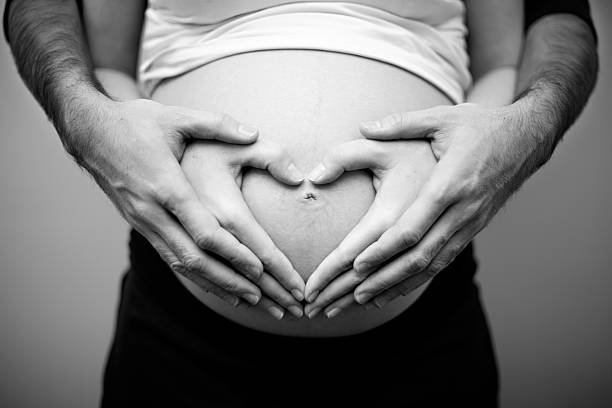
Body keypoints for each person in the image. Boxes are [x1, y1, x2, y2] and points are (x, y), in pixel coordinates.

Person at [4, 0, 598, 406]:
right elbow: (106, 62)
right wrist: (167, 157)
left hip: (419, 321)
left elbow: (503, 60)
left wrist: (458, 149)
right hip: (187, 328)